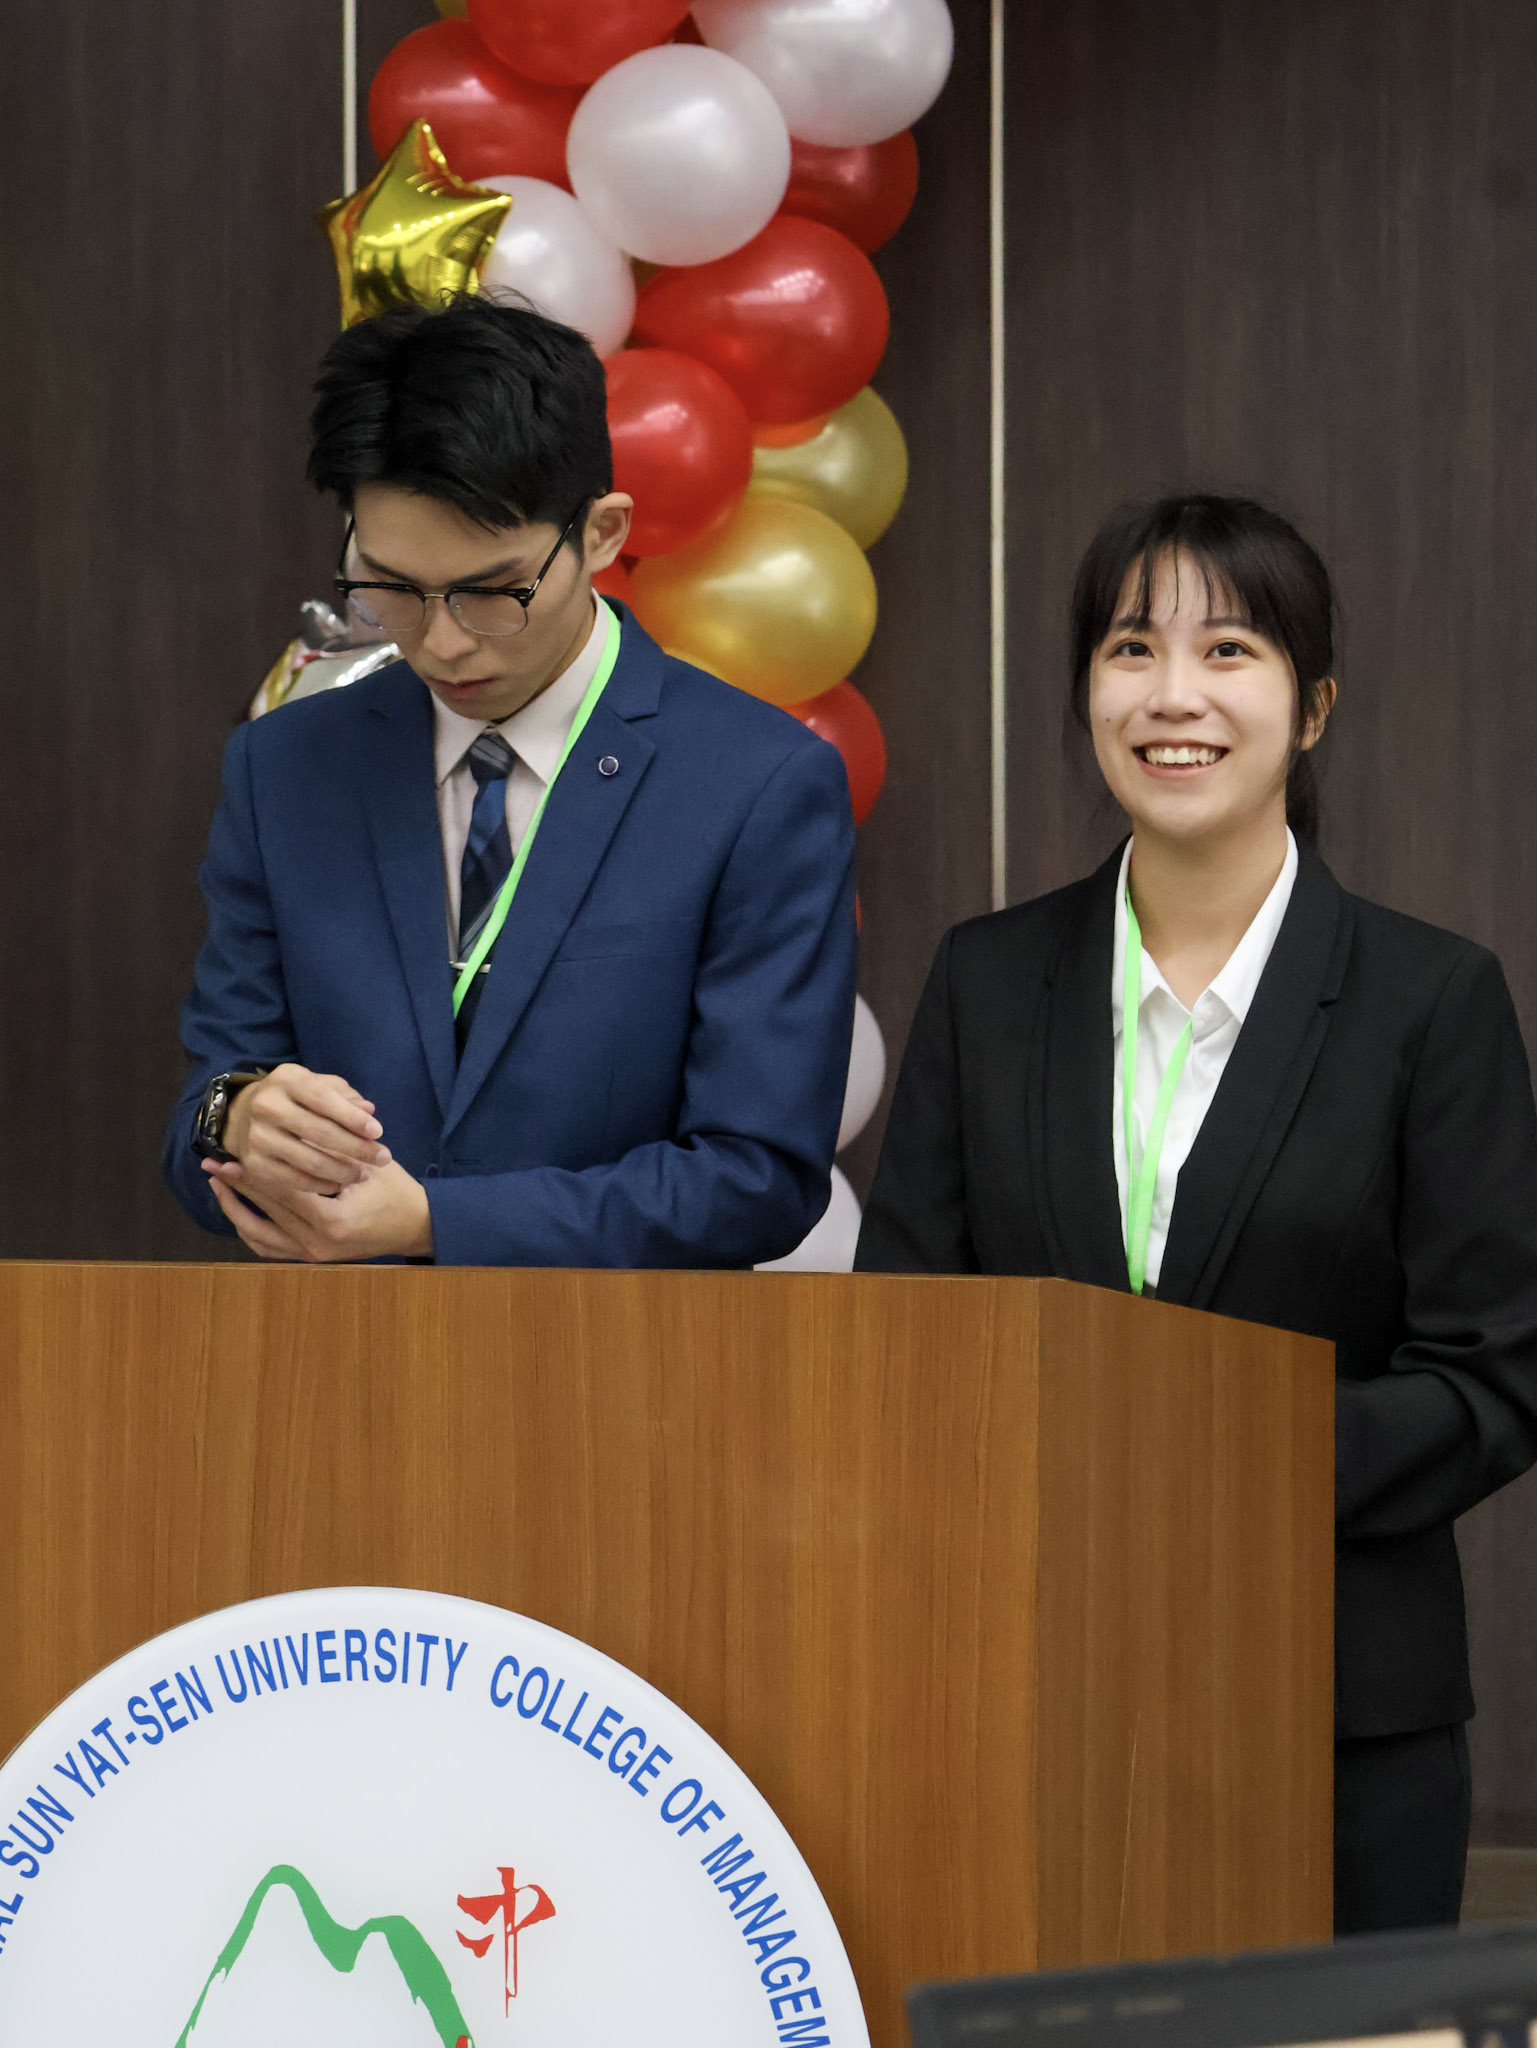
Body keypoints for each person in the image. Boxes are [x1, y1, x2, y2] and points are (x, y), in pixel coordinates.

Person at [856, 493, 1537, 1933]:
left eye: (1228, 650)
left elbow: (1496, 1374)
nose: (1173, 695)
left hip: (1338, 1709)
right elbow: (903, 1341)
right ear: (1085, 693)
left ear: (1312, 706)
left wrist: (1206, 1460)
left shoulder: (1432, 999)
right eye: (1130, 648)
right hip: (1029, 1687)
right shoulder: (987, 980)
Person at [163, 295, 856, 1267]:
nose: (441, 642)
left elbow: (757, 1177)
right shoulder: (286, 767)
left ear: (602, 533)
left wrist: (434, 1222)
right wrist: (235, 1120)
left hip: (620, 1355)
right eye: (392, 587)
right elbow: (204, 1105)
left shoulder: (756, 783)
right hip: (332, 1351)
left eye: (491, 591)